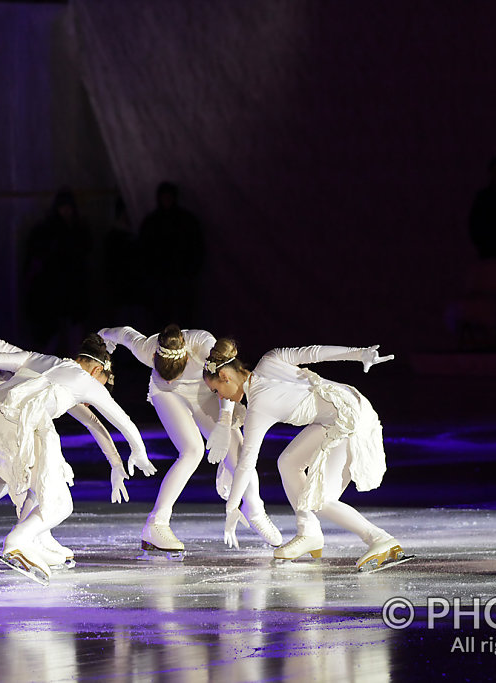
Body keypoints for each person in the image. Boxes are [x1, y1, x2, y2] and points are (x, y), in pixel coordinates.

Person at [0, 333, 156, 584]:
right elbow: (121, 421)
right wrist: (137, 452)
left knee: (15, 475)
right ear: (97, 371)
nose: (92, 400)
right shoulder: (87, 383)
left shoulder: (43, 361)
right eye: (103, 384)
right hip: (4, 422)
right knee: (54, 498)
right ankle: (21, 542)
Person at [202, 339, 404, 571]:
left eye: (216, 391)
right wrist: (359, 354)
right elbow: (315, 352)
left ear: (226, 376)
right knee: (289, 462)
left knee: (322, 499)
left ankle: (379, 539)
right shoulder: (271, 358)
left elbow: (246, 464)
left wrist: (231, 507)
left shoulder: (258, 407)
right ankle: (308, 532)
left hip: (350, 418)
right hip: (343, 407)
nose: (220, 398)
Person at [98, 324, 282, 555]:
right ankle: (156, 524)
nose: (171, 377)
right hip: (167, 395)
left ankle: (254, 509)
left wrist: (225, 422)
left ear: (186, 359)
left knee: (238, 452)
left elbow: (227, 379)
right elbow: (123, 332)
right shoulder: (146, 348)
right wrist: (102, 337)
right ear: (154, 358)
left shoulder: (204, 345)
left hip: (208, 390)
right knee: (192, 451)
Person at [21, 189, 92, 354]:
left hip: (71, 295)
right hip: (54, 297)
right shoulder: (48, 232)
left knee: (72, 340)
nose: (66, 211)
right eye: (63, 207)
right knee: (52, 340)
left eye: (68, 207)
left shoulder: (77, 230)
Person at [138, 183, 205, 326]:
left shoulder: (186, 221)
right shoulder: (152, 223)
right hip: (160, 282)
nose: (166, 200)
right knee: (160, 322)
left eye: (169, 197)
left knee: (184, 321)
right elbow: (144, 251)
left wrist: (190, 272)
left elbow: (197, 248)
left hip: (181, 280)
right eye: (164, 197)